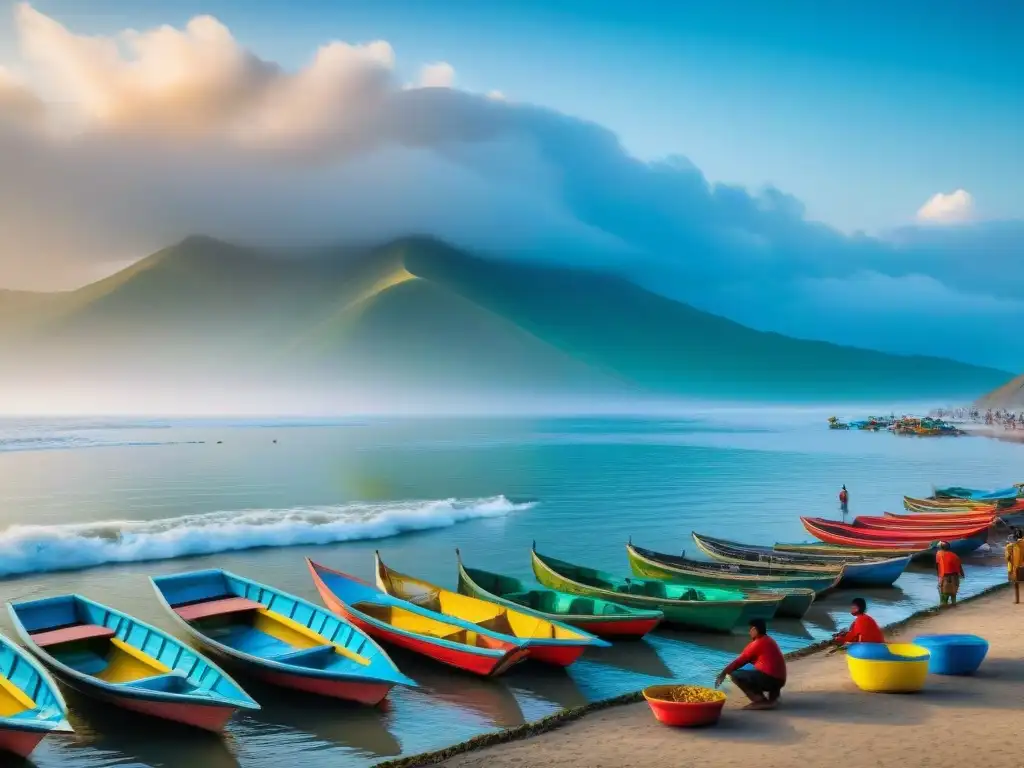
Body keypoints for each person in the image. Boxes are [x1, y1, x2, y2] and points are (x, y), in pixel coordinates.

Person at [715, 618, 786, 710]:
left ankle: (760, 701)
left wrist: (723, 673)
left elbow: (739, 661)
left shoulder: (757, 643)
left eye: (750, 630)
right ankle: (774, 697)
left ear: (754, 630)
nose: (749, 632)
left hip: (771, 680)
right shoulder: (769, 640)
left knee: (735, 674)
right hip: (780, 680)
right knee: (753, 668)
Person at [935, 541, 965, 607]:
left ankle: (943, 606)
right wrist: (963, 575)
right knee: (953, 592)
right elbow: (960, 567)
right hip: (955, 576)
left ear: (940, 547)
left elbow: (937, 565)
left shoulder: (939, 554)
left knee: (943, 593)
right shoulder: (955, 555)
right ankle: (954, 604)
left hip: (945, 576)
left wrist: (938, 575)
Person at [1006, 528, 1024, 605]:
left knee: (1015, 577)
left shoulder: (1010, 546)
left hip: (1018, 572)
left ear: (1014, 537)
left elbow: (1008, 559)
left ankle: (1017, 600)